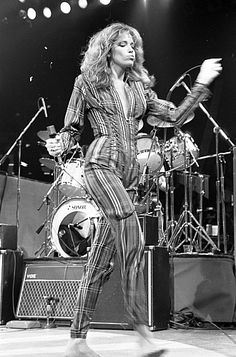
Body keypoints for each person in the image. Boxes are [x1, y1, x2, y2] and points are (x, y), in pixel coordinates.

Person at [45, 22, 222, 357]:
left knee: (99, 261)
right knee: (133, 233)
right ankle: (141, 333)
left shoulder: (140, 89)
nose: (131, 49)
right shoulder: (87, 83)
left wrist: (201, 83)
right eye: (123, 44)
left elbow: (175, 117)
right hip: (99, 166)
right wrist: (59, 143)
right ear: (108, 48)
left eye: (133, 45)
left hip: (127, 176)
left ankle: (76, 341)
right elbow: (71, 128)